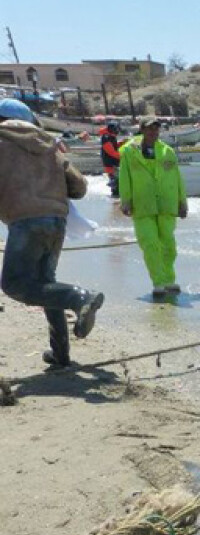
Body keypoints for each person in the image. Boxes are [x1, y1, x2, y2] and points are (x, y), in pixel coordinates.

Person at [0, 97, 104, 368]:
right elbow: (79, 187)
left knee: (14, 284)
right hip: (57, 221)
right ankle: (60, 355)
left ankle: (80, 297)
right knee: (46, 285)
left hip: (25, 221)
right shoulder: (49, 146)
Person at [118, 115, 188, 295]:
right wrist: (125, 200)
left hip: (166, 203)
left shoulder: (167, 152)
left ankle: (169, 279)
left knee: (168, 244)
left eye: (156, 129)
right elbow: (124, 177)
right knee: (149, 242)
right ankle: (158, 281)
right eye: (149, 128)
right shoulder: (129, 151)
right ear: (142, 130)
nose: (153, 132)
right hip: (142, 204)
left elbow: (177, 178)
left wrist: (182, 202)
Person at [99, 120, 121, 198]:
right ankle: (115, 198)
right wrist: (122, 156)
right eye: (117, 129)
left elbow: (114, 146)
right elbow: (111, 151)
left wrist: (121, 143)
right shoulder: (106, 137)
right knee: (115, 183)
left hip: (113, 162)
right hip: (110, 163)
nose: (118, 131)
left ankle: (116, 196)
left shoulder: (111, 136)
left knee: (117, 181)